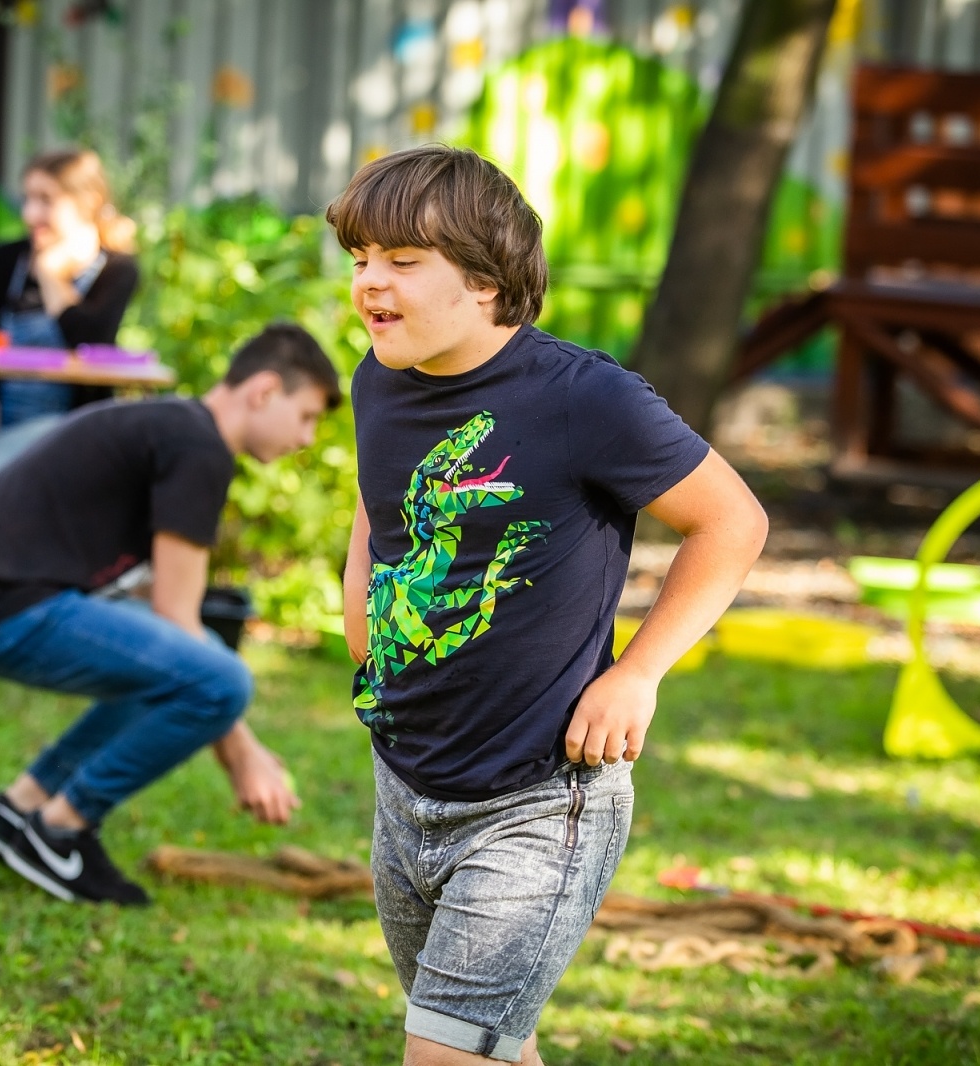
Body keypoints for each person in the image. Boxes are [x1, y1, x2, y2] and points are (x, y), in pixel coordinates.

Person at [329, 145, 768, 1066]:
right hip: (406, 784)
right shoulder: (380, 380)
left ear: (486, 284)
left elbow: (731, 522)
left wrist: (639, 673)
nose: (371, 281)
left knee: (446, 1054)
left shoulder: (586, 397)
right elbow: (382, 509)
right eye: (361, 257)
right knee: (491, 1045)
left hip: (539, 801)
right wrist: (360, 614)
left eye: (403, 262)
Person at [0, 323, 341, 906]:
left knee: (183, 667)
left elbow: (160, 609)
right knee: (221, 678)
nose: (307, 437)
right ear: (264, 391)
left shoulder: (172, 427)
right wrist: (242, 754)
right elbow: (178, 617)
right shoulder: (199, 447)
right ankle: (59, 829)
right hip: (1, 611)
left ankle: (18, 808)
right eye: (306, 416)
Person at [0, 148, 141, 540]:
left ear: (87, 202)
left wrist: (52, 276)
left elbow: (88, 341)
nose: (31, 215)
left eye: (46, 201)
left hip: (68, 421)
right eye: (28, 199)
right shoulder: (4, 261)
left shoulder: (116, 270)